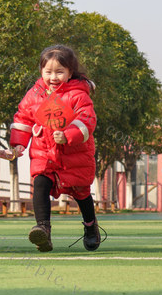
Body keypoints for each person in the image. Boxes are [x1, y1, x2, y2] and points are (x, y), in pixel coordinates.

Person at [10, 45, 100, 253]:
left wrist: (68, 134)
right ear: (41, 71)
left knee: (82, 193)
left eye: (59, 72)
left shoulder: (78, 95)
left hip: (74, 156)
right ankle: (43, 229)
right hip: (44, 153)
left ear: (70, 72)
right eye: (48, 71)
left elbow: (87, 119)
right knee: (40, 183)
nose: (53, 77)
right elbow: (23, 118)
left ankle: (90, 226)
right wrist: (19, 143)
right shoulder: (34, 94)